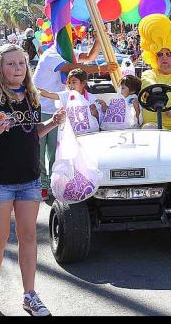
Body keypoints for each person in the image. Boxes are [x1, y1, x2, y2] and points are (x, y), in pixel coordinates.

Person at [0, 43, 66, 317]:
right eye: (11, 64)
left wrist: (53, 123)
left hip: (29, 180)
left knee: (29, 237)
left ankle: (30, 295)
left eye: (21, 63)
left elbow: (30, 133)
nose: (17, 68)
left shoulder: (31, 97)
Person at [33, 38, 116, 202]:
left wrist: (99, 39)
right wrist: (101, 69)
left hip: (59, 113)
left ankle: (56, 184)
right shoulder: (51, 55)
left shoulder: (68, 53)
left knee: (55, 152)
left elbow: (89, 57)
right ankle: (42, 185)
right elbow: (72, 68)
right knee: (39, 151)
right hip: (42, 110)